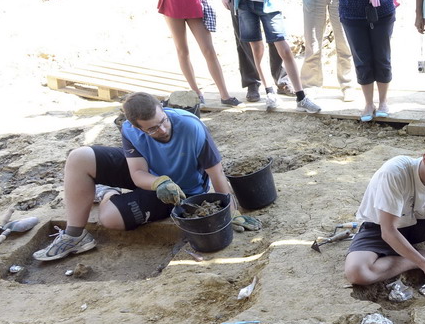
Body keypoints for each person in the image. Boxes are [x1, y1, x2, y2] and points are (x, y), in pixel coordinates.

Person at [32, 92, 259, 262]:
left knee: (109, 219)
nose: (162, 130)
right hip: (152, 177)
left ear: (163, 109)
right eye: (152, 129)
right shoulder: (129, 130)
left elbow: (216, 173)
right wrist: (158, 181)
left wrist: (231, 212)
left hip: (179, 190)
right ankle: (74, 236)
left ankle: (107, 193)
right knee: (79, 157)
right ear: (137, 127)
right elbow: (137, 173)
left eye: (163, 121)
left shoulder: (191, 127)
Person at [344, 132, 425, 299]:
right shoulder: (395, 173)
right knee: (357, 272)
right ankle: (423, 257)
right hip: (381, 227)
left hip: (418, 225)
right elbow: (388, 231)